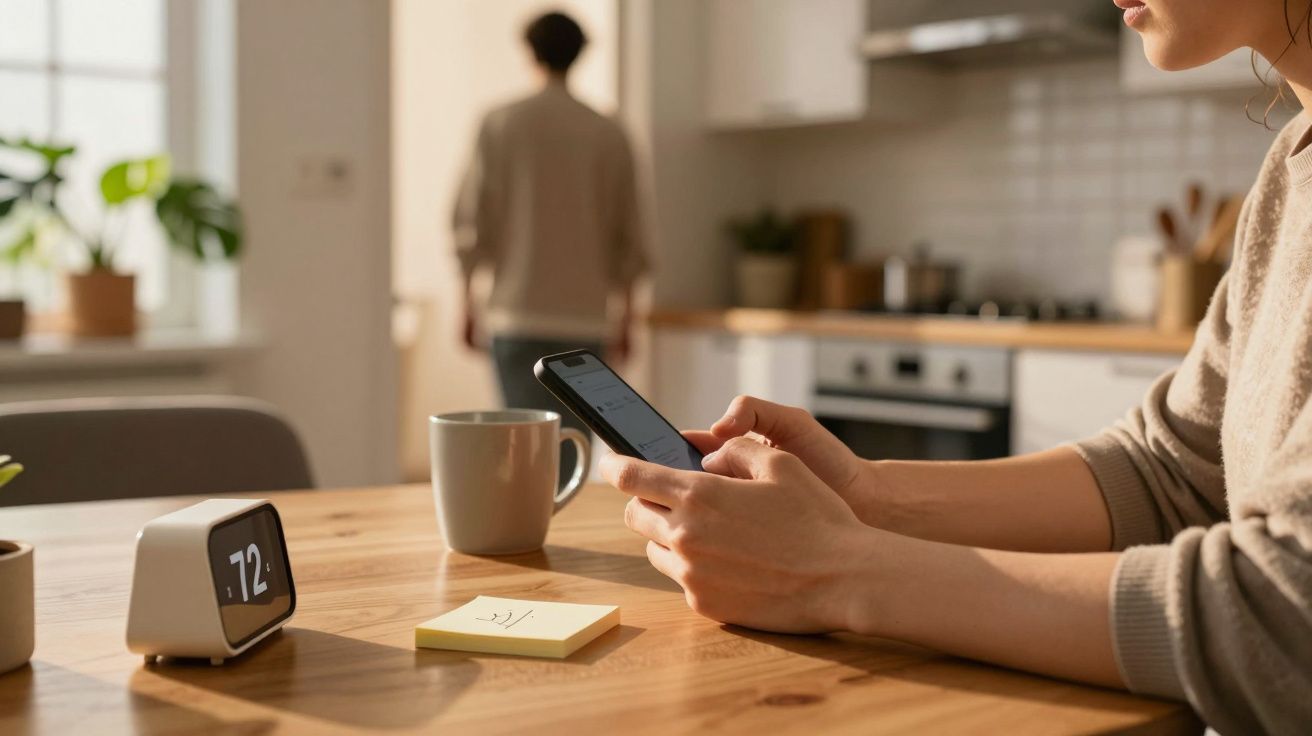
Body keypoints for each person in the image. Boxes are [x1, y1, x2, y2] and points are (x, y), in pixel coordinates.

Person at [599, 1, 1312, 732]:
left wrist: (836, 570)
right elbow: (1168, 472)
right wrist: (865, 497)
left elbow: (1291, 615)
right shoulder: (1290, 166)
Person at [454, 11, 647, 479]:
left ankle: (525, 523)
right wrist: (626, 315)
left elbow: (471, 223)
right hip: (586, 319)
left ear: (529, 52)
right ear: (579, 55)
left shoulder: (500, 123)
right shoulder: (608, 131)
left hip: (516, 315)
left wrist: (467, 303)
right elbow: (630, 233)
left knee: (521, 451)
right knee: (574, 452)